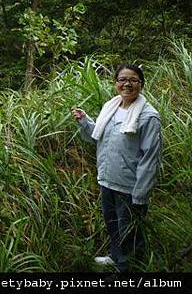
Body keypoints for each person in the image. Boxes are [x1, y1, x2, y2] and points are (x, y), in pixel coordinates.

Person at [71, 64, 162, 272]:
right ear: (116, 83)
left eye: (133, 80)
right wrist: (85, 121)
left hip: (129, 186)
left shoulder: (148, 116)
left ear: (141, 84)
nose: (127, 84)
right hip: (107, 178)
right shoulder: (111, 107)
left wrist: (141, 195)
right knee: (112, 224)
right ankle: (115, 256)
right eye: (122, 79)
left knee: (130, 231)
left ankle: (128, 269)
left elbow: (150, 159)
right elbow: (100, 137)